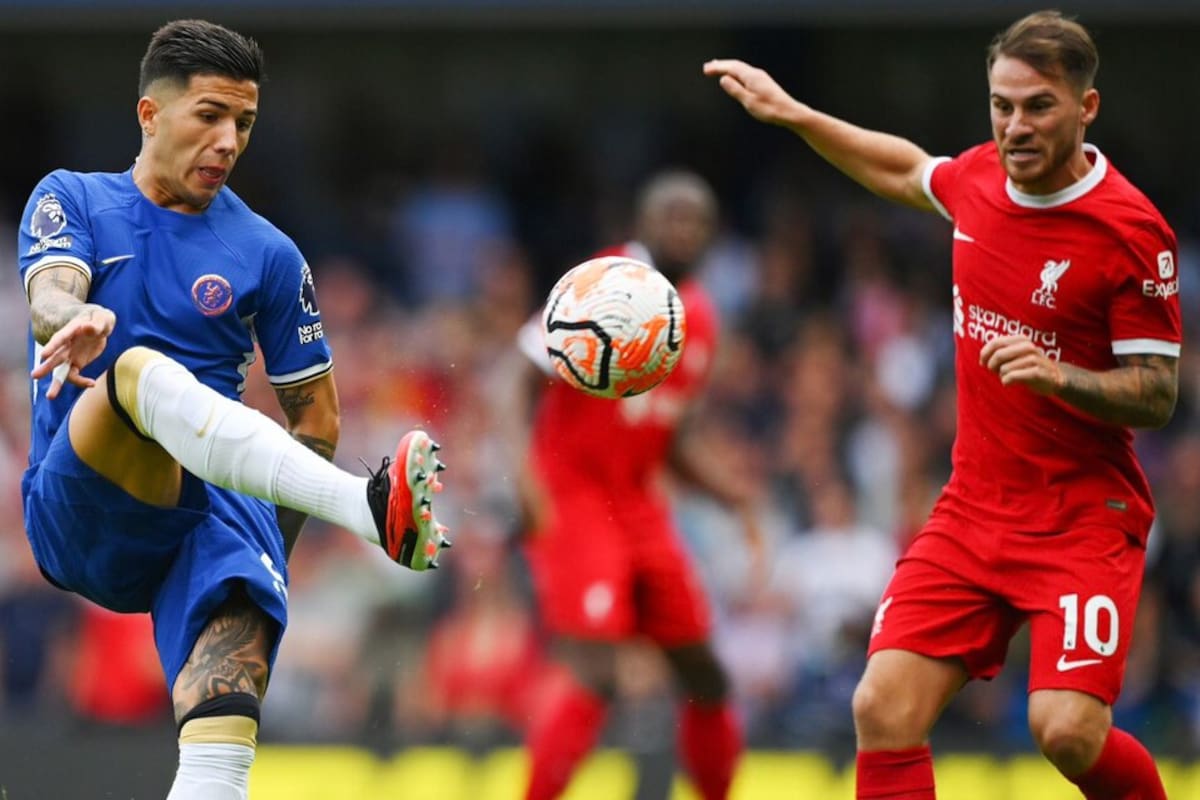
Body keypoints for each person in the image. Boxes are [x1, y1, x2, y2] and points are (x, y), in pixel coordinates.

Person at [706, 10, 1181, 799]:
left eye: (1038, 106)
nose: (1015, 126)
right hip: (972, 511)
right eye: (1001, 106)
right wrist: (796, 116)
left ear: (1085, 109)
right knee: (882, 707)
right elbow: (905, 170)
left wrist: (1057, 375)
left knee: (1065, 731)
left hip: (1082, 518)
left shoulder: (1132, 232)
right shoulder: (978, 182)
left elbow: (1158, 394)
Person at [18, 20, 450, 799]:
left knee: (224, 733)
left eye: (244, 123)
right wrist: (69, 319)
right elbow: (50, 292)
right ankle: (366, 506)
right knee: (138, 371)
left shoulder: (270, 253)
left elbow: (316, 418)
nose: (229, 140)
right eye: (210, 115)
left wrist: (265, 551)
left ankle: (336, 521)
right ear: (150, 115)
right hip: (84, 503)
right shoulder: (73, 197)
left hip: (209, 517)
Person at [509, 170, 761, 800]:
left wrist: (732, 494)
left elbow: (671, 437)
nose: (685, 230)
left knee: (705, 673)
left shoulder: (699, 317)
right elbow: (513, 377)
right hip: (575, 494)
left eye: (697, 220)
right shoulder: (603, 283)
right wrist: (523, 473)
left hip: (641, 504)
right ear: (642, 223)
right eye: (672, 217)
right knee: (595, 668)